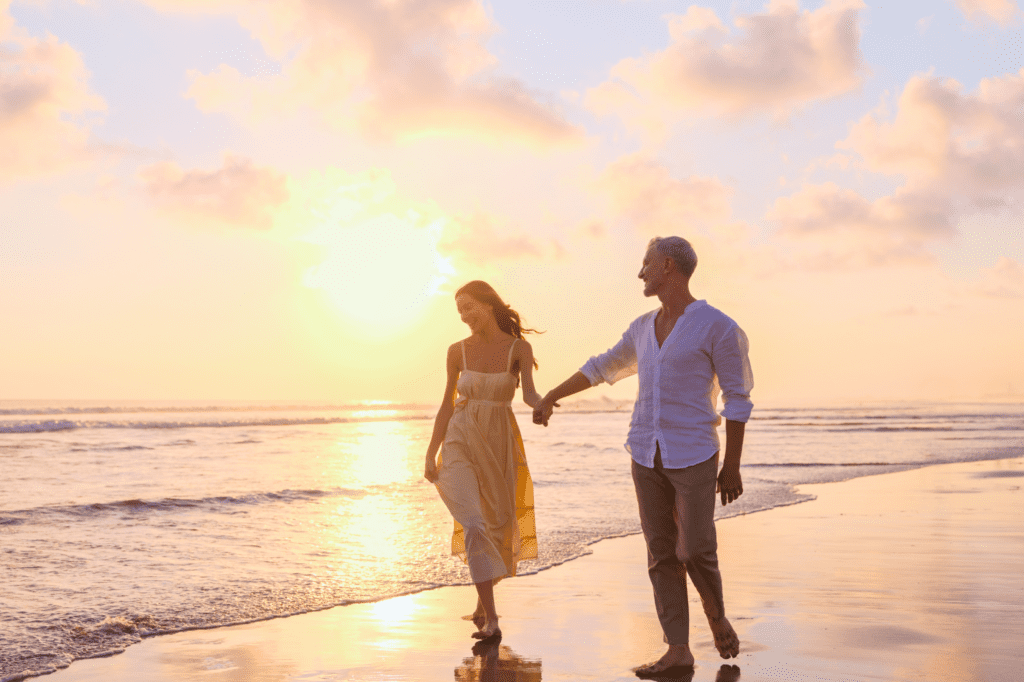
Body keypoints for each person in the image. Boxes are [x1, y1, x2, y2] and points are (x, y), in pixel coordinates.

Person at [533, 236, 753, 677]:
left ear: (667, 266)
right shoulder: (641, 328)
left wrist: (731, 465)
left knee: (694, 547)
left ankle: (714, 611)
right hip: (644, 452)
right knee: (660, 554)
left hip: (693, 453)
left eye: (646, 264)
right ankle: (678, 648)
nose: (640, 273)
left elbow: (738, 397)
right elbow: (603, 366)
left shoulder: (718, 327)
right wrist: (553, 394)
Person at [424, 280, 543, 643]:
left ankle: (480, 600)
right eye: (459, 311)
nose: (464, 316)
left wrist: (543, 405)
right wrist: (430, 452)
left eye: (469, 307)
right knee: (474, 522)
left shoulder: (519, 348)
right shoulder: (456, 351)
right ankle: (492, 619)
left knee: (496, 522)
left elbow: (530, 394)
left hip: (499, 441)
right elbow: (447, 403)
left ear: (488, 304)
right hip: (460, 438)